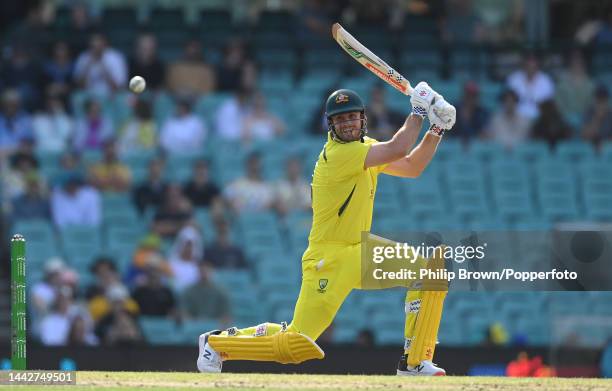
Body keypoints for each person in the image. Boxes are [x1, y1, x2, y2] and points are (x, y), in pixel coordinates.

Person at [197, 83, 456, 375]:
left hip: (359, 250)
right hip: (328, 259)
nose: (347, 124)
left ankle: (413, 363)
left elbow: (411, 166)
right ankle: (216, 343)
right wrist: (419, 112)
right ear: (331, 125)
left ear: (362, 119)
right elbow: (399, 147)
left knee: (427, 273)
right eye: (340, 119)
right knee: (295, 343)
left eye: (351, 117)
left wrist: (437, 129)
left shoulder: (367, 148)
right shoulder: (337, 155)